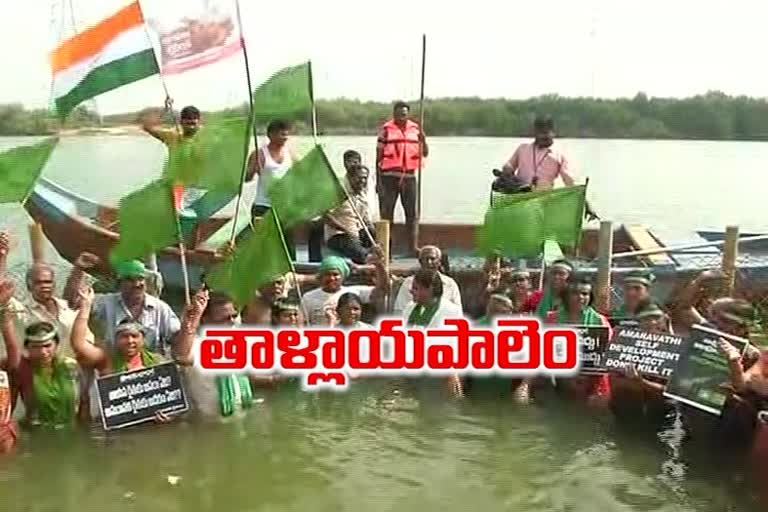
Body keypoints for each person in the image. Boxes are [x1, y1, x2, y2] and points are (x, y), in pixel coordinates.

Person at [0, 277, 90, 428]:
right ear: (27, 348)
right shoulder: (22, 370)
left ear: (56, 345)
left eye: (47, 346)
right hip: (36, 433)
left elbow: (84, 403)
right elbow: (10, 343)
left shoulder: (71, 367)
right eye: (36, 346)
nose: (43, 352)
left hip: (69, 432)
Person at [174, 290, 266, 419]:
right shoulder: (199, 345)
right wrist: (194, 317)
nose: (232, 322)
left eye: (233, 316)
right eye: (224, 319)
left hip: (242, 416)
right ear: (206, 320)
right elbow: (182, 357)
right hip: (210, 425)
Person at [67, 255, 181, 356]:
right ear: (119, 283)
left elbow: (177, 339)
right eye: (130, 280)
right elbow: (73, 303)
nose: (137, 284)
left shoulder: (160, 308)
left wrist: (189, 323)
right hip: (112, 370)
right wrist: (78, 270)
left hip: (150, 372)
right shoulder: (105, 303)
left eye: (140, 279)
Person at [545, 276, 612, 407]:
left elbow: (607, 356)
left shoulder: (600, 321)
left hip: (591, 380)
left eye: (585, 294)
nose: (580, 297)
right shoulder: (552, 319)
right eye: (575, 293)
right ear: (566, 295)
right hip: (558, 376)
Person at [376, 101, 428, 256]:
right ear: (394, 114)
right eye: (398, 114)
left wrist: (423, 139)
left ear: (408, 114)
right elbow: (378, 157)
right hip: (388, 178)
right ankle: (386, 249)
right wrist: (378, 182)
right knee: (386, 215)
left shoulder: (416, 129)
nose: (401, 117)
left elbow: (424, 153)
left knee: (412, 214)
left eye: (404, 114)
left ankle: (412, 248)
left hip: (409, 177)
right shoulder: (385, 130)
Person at [403, 269, 463, 397]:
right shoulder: (410, 308)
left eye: (415, 288)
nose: (411, 291)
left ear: (429, 289)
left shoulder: (452, 311)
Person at [246, 119, 297, 259]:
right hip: (263, 206)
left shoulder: (290, 153)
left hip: (285, 207)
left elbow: (300, 175)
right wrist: (252, 170)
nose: (285, 138)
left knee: (288, 247)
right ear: (271, 135)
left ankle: (289, 275)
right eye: (282, 134)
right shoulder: (259, 154)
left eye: (287, 135)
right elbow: (246, 179)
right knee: (263, 246)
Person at [301, 255, 388, 326]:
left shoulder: (352, 292)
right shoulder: (308, 297)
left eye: (335, 274)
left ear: (343, 276)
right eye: (327, 274)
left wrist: (379, 265)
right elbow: (302, 323)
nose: (331, 278)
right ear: (321, 276)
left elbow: (381, 290)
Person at [501, 116, 574, 191]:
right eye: (539, 133)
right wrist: (507, 169)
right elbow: (509, 165)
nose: (542, 136)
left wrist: (580, 196)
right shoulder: (522, 149)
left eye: (546, 133)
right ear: (534, 133)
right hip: (520, 194)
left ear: (553, 133)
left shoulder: (559, 155)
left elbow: (568, 178)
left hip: (544, 197)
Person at [324, 164, 376, 264]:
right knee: (359, 250)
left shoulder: (362, 196)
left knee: (372, 233)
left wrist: (370, 225)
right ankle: (367, 265)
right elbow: (326, 216)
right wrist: (345, 229)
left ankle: (366, 266)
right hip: (339, 235)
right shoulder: (339, 194)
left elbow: (364, 218)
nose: (363, 181)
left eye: (365, 178)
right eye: (359, 178)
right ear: (350, 177)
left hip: (356, 233)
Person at [392, 246, 462, 315]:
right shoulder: (408, 283)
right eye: (425, 259)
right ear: (420, 262)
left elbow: (458, 313)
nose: (429, 262)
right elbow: (399, 312)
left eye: (432, 259)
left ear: (439, 262)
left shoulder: (450, 284)